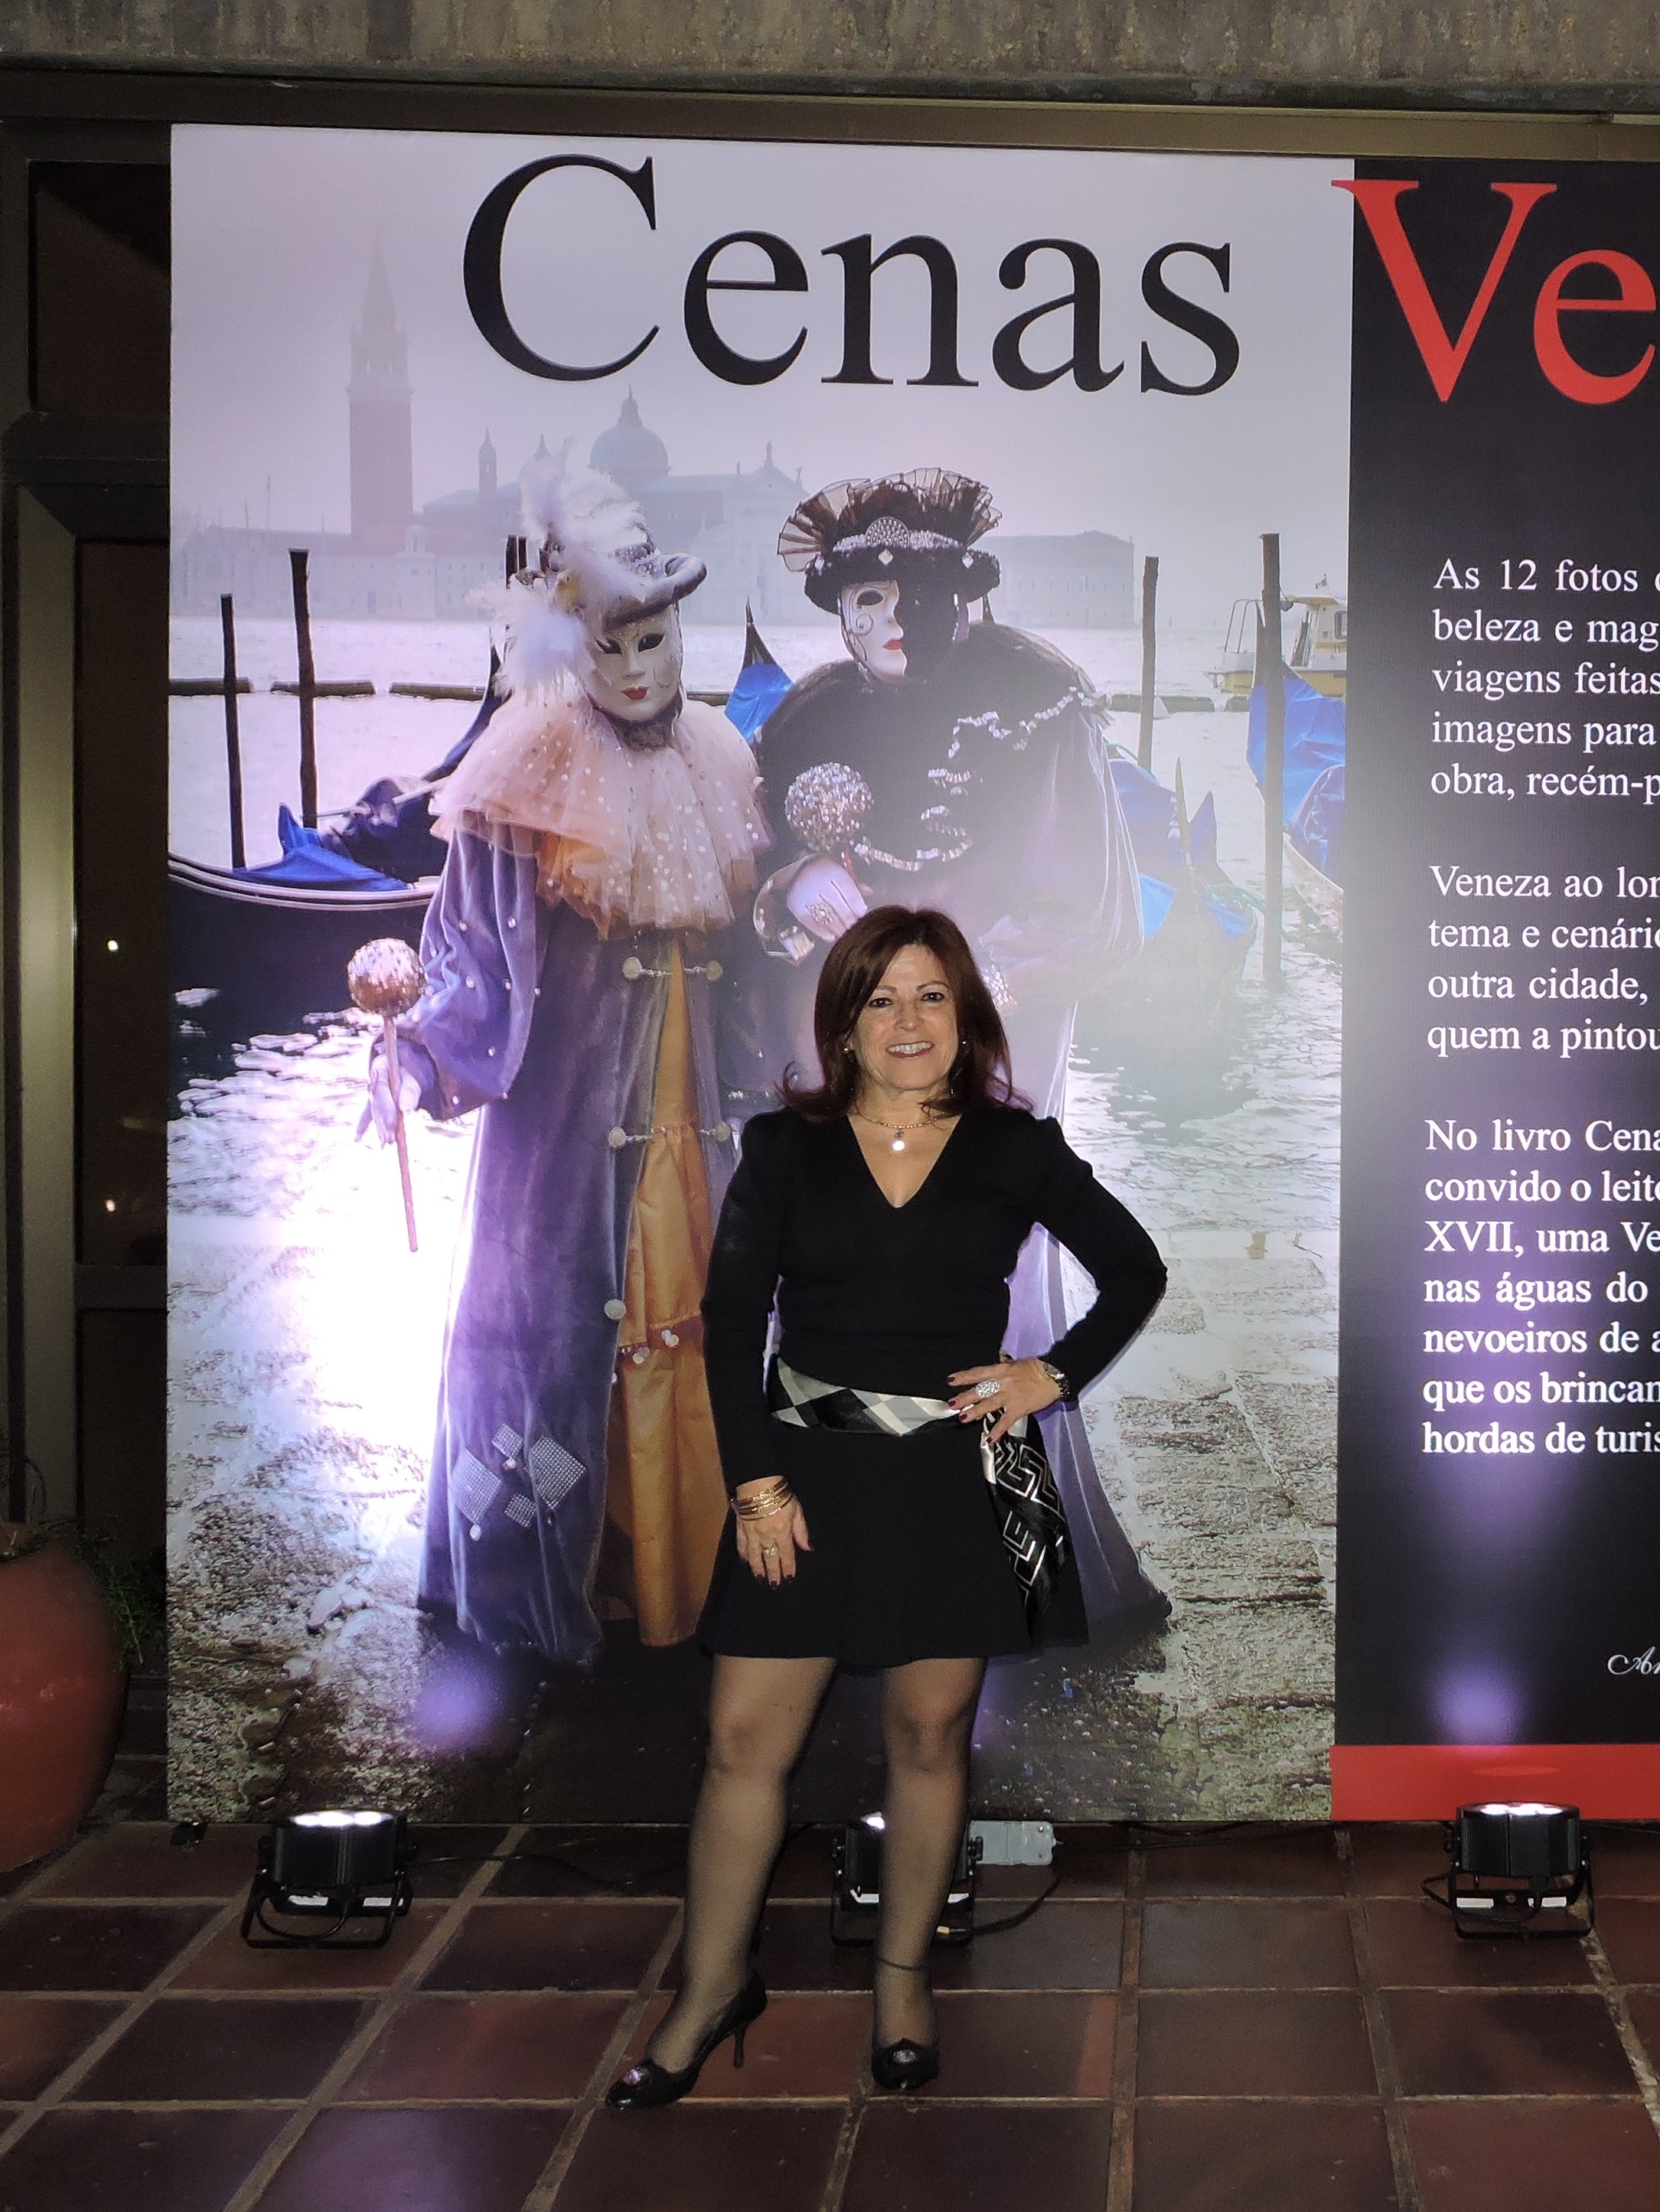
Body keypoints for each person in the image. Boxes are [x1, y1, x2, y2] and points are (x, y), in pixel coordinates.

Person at [608, 906, 1167, 2107]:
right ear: (844, 1025)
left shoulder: (1017, 1147)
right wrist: (754, 1485)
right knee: (742, 1745)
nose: (908, 1020)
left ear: (965, 1016)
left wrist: (1051, 1373)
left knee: (928, 1738)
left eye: (931, 996)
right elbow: (732, 1324)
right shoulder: (783, 1148)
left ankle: (903, 1982)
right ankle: (711, 1987)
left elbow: (1138, 1269)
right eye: (881, 998)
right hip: (802, 1481)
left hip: (962, 1481)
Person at [735, 467, 1168, 1641]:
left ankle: (1018, 1574)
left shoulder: (1039, 698)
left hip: (995, 1051)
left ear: (962, 594)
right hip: (848, 1064)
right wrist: (794, 886)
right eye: (865, 600)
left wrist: (960, 996)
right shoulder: (806, 715)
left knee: (996, 1299)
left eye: (912, 597)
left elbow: (1090, 906)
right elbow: (756, 876)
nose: (889, 622)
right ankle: (851, 1558)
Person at [390, 456, 765, 1671]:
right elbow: (473, 951)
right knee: (559, 1334)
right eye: (612, 646)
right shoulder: (528, 770)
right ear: (572, 647)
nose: (640, 668)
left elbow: (753, 964)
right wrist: (419, 1049)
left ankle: (699, 1572)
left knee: (701, 1309)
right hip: (562, 1132)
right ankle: (573, 1573)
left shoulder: (722, 758)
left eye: (655, 639)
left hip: (697, 1110)